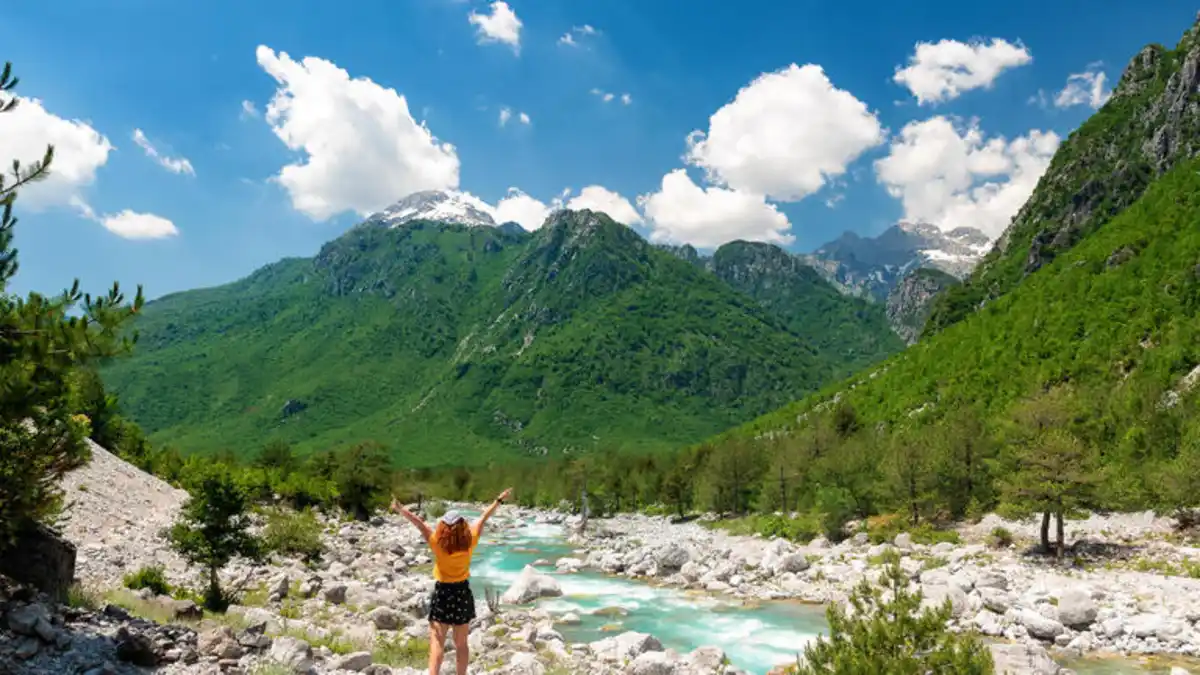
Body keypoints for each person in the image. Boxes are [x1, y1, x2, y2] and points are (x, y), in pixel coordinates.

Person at [391, 488, 513, 675]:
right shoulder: (470, 541)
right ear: (463, 526)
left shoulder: (437, 542)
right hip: (462, 593)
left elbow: (420, 524)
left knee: (437, 642)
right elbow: (483, 518)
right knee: (461, 644)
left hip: (443, 593)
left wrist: (401, 510)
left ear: (443, 527)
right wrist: (499, 500)